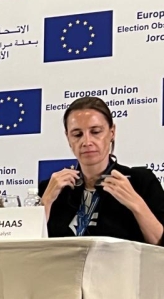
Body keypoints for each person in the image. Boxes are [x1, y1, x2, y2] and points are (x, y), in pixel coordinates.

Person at [40, 96, 164, 244]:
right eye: (77, 134)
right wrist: (45, 203)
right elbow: (27, 249)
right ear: (68, 138)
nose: (86, 142)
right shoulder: (53, 188)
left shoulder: (140, 182)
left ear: (112, 132)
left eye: (96, 132)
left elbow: (160, 244)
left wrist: (137, 205)